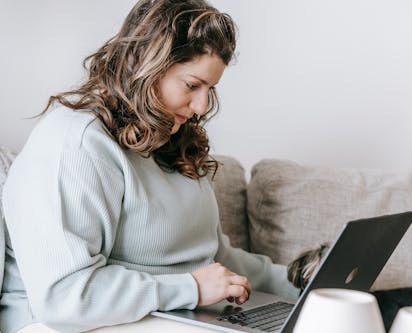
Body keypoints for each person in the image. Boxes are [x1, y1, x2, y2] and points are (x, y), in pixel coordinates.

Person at [0, 1, 299, 332]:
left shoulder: (174, 142)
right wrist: (191, 289)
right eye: (191, 85)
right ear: (146, 66)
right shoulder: (76, 141)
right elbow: (65, 297)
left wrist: (301, 281)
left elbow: (214, 260)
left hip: (169, 315)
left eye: (210, 89)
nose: (201, 106)